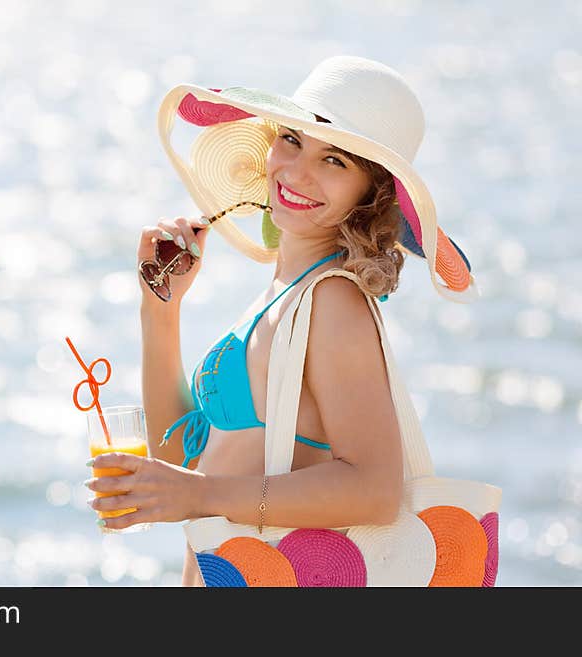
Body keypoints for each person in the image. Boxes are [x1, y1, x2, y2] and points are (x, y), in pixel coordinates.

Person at [85, 56, 477, 586]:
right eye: (291, 139)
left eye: (334, 160)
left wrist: (197, 494)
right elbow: (180, 454)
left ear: (372, 194)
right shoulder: (286, 295)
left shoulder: (333, 302)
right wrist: (160, 309)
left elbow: (375, 491)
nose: (296, 171)